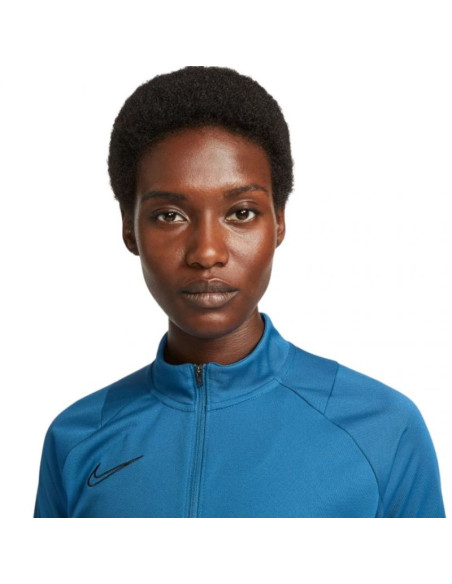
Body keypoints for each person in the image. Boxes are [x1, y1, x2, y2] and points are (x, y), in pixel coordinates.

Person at [34, 66, 445, 518]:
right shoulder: (76, 440)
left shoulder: (382, 429)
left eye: (242, 213)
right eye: (169, 216)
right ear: (129, 230)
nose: (207, 252)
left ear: (279, 222)